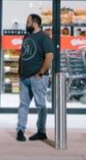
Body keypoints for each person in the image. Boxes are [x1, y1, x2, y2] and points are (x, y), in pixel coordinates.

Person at [16, 13, 54, 143]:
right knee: (23, 105)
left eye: (28, 22)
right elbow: (24, 54)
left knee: (41, 105)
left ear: (35, 23)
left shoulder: (44, 37)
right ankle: (20, 130)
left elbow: (49, 56)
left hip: (38, 77)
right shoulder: (26, 37)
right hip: (24, 77)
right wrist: (20, 71)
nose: (26, 24)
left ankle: (41, 132)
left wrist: (41, 73)